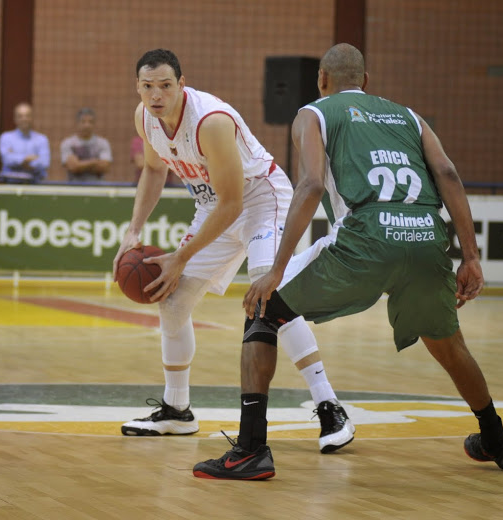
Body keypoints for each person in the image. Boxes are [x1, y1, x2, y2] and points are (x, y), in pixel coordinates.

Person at [193, 44, 503, 480]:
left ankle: (252, 450)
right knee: (447, 342)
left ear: (322, 80)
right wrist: (471, 257)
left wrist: (275, 270)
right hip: (427, 237)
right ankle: (497, 439)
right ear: (366, 82)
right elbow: (447, 175)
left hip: (366, 238)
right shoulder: (408, 116)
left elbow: (310, 184)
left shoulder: (313, 113)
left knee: (262, 311)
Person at [113, 49, 354, 454]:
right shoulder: (144, 118)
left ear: (181, 84)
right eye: (148, 86)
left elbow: (234, 204)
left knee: (270, 296)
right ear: (138, 87)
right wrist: (134, 230)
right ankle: (177, 409)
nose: (156, 95)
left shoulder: (211, 120)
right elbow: (154, 170)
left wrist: (181, 257)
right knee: (171, 302)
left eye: (166, 86)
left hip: (263, 199)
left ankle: (329, 404)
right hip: (216, 205)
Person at [0, 102, 50, 183]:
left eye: (27, 116)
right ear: (15, 119)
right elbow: (7, 160)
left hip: (35, 184)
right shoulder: (6, 138)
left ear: (32, 118)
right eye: (20, 116)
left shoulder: (42, 139)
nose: (24, 119)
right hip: (11, 184)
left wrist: (18, 161)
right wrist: (26, 159)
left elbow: (44, 163)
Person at [60, 108, 113, 182]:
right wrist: (95, 162)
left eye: (90, 122)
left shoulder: (103, 143)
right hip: (73, 188)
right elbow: (73, 167)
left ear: (94, 124)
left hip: (99, 189)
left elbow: (105, 167)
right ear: (77, 123)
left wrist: (80, 164)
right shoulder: (68, 143)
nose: (87, 125)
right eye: (83, 122)